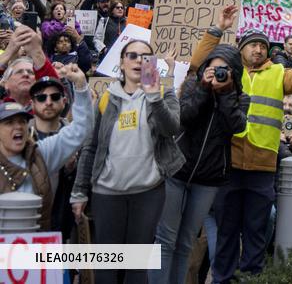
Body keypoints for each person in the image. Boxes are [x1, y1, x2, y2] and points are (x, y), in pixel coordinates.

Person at [188, 6, 292, 284]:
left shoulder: (278, 72)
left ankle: (251, 278)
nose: (258, 49)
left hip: (263, 166)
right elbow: (198, 65)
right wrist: (217, 30)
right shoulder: (229, 70)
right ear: (241, 48)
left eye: (262, 45)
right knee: (226, 230)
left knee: (256, 230)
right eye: (253, 45)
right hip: (229, 163)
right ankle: (222, 279)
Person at [70, 40, 182, 284]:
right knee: (107, 267)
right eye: (132, 55)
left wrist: (154, 97)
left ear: (153, 64)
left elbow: (171, 128)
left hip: (148, 193)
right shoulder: (106, 98)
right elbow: (91, 147)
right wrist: (79, 191)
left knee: (136, 267)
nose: (139, 61)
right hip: (107, 193)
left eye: (146, 57)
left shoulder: (162, 94)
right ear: (121, 63)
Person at [152, 45, 246, 284]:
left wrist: (225, 94)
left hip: (208, 178)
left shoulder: (240, 98)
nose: (218, 73)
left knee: (186, 242)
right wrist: (204, 89)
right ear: (205, 68)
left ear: (234, 73)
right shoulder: (193, 85)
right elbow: (183, 117)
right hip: (177, 170)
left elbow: (236, 126)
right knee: (165, 239)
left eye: (224, 70)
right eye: (214, 68)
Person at [0, 64, 90, 231]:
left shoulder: (40, 154)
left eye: (22, 121)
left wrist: (81, 85)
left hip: (37, 241)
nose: (18, 127)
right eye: (9, 123)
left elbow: (80, 130)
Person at [29, 75, 79, 240]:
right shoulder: (21, 136)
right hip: (26, 222)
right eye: (41, 98)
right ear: (32, 103)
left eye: (55, 96)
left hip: (62, 222)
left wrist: (71, 169)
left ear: (64, 101)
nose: (48, 102)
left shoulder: (75, 136)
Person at [0, 25, 62, 107]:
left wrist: (37, 52)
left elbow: (55, 92)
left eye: (30, 72)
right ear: (5, 83)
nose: (26, 74)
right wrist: (9, 50)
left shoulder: (47, 108)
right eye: (19, 72)